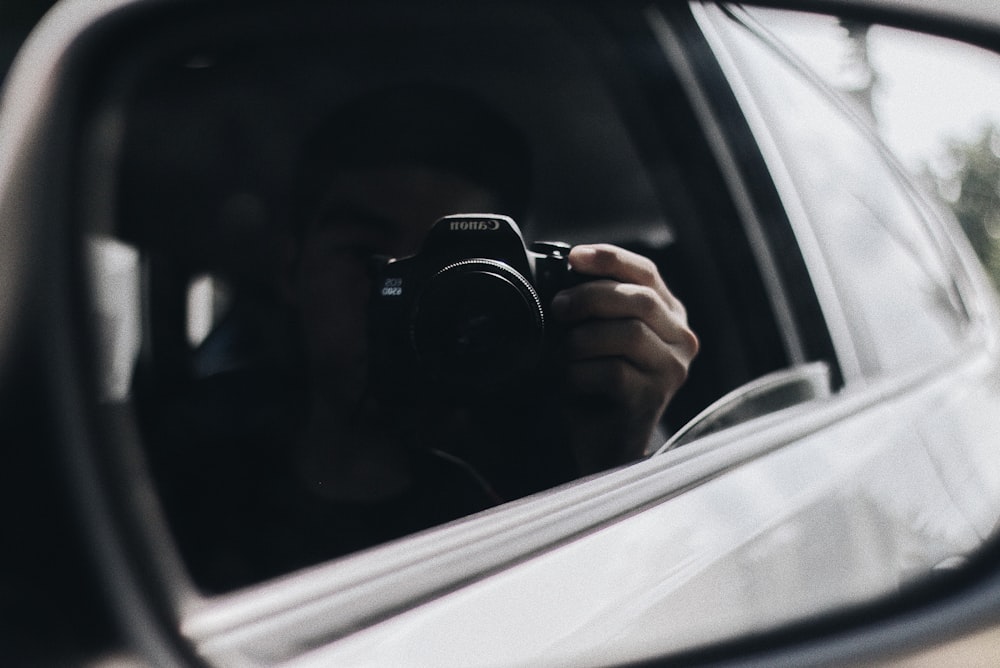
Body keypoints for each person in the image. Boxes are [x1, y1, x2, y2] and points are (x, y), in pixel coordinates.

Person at [148, 84, 698, 591]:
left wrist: (621, 454)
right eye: (367, 254)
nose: (413, 294)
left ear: (522, 291)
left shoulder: (558, 450)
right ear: (291, 270)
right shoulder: (191, 461)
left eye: (453, 269)